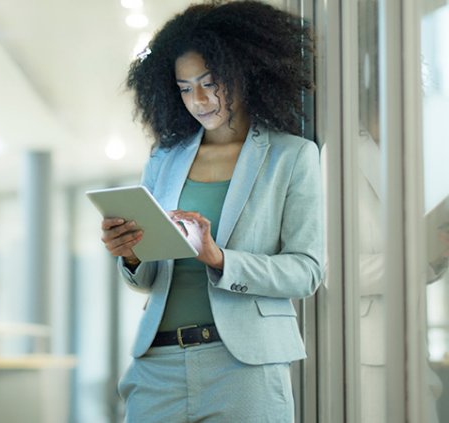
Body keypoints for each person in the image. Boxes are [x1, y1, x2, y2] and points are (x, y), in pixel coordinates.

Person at [99, 2, 324, 421]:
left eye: (210, 82)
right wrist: (129, 252)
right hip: (158, 365)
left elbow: (307, 271)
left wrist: (220, 259)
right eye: (185, 88)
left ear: (242, 71)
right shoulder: (164, 159)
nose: (198, 100)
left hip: (244, 368)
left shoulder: (291, 156)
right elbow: (148, 277)